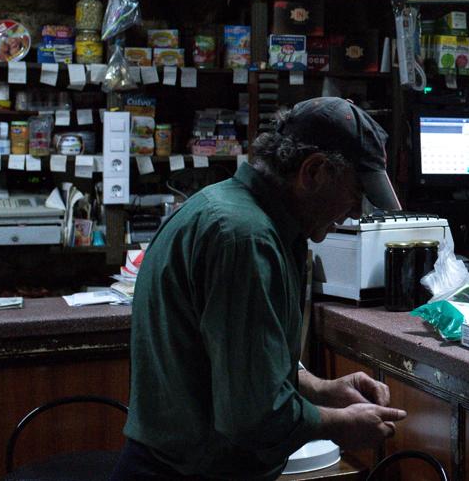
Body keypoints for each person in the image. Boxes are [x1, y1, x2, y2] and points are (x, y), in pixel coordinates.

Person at [113, 97, 408, 481]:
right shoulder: (245, 238)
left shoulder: (237, 213)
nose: (356, 211)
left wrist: (321, 389)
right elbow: (252, 414)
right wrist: (339, 424)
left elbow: (235, 363)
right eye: (355, 194)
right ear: (314, 171)